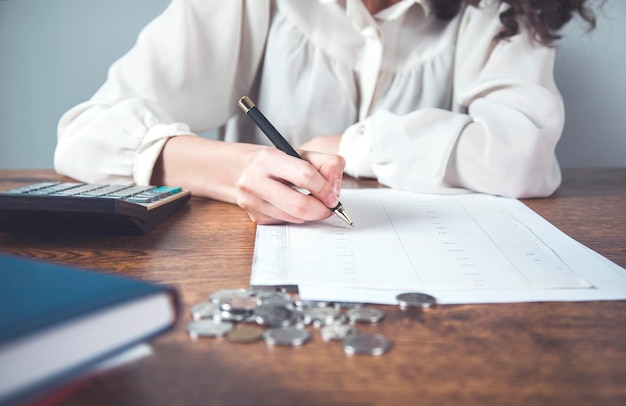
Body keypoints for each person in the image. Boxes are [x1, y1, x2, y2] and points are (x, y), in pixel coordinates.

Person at [54, 0, 599, 225]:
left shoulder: (505, 11)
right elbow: (84, 133)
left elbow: (523, 155)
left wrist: (349, 145)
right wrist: (235, 170)